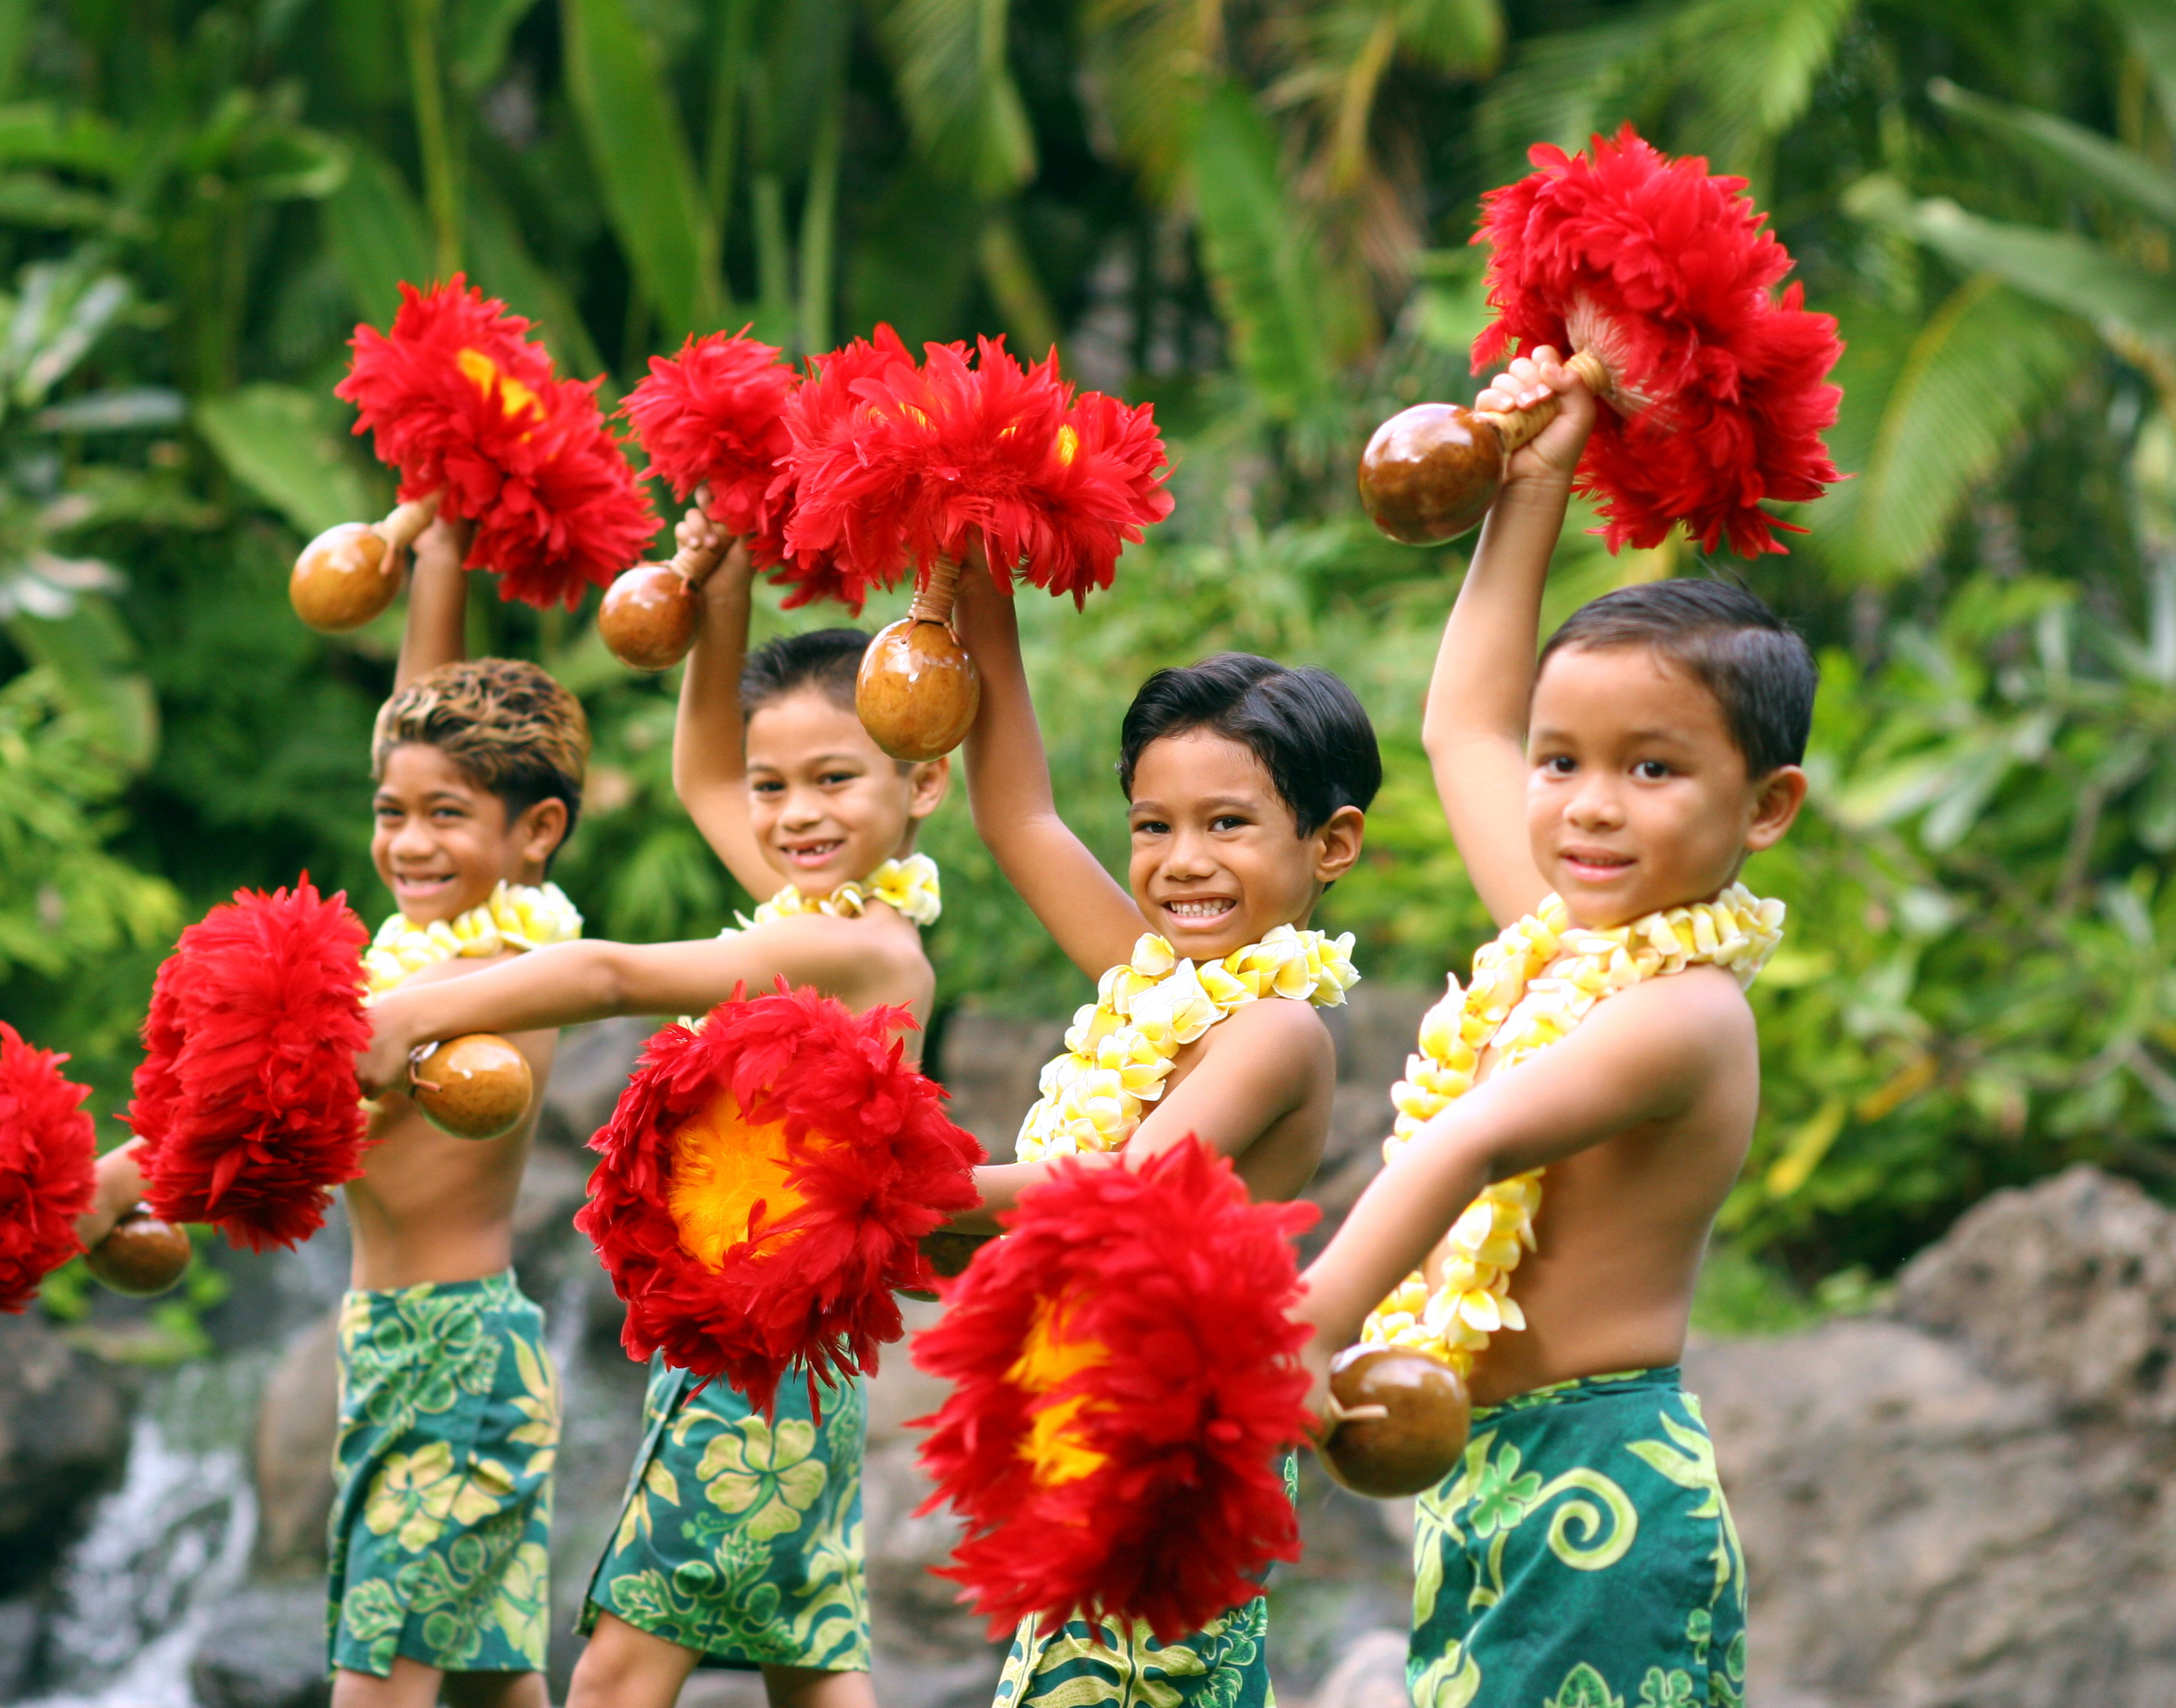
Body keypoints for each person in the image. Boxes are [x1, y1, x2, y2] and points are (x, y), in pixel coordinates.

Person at [1288, 348, 1811, 1708]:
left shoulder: (1687, 1016)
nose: (1586, 804)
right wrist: (1534, 480)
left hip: (1603, 1494)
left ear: (1765, 809)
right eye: (1563, 761)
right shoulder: (1565, 944)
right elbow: (1464, 720)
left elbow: (1469, 1140)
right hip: (1473, 1473)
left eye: (1652, 769)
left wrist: (1297, 1332)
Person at [357, 517, 951, 1708]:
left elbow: (612, 975)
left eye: (834, 780)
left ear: (923, 779)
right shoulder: (815, 910)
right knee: (811, 1665)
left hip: (766, 1364)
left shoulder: (863, 949)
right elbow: (700, 775)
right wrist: (720, 595)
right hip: (767, 1358)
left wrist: (410, 1013)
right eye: (776, 787)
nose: (792, 816)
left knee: (620, 1672)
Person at [81, 519, 586, 1708]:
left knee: (384, 1688)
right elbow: (425, 713)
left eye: (446, 817)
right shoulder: (433, 937)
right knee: (486, 1689)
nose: (408, 842)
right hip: (410, 1349)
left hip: (454, 1358)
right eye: (389, 809)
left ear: (538, 834)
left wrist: (102, 1184)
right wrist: (446, 538)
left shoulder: (488, 975)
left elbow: (278, 1091)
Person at [939, 562, 1380, 1707]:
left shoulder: (1277, 1030)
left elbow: (1121, 1181)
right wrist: (973, 576)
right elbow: (1018, 814)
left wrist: (897, 1186)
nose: (1181, 861)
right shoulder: (1151, 985)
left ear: (1329, 846)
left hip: (1178, 1440)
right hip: (1090, 1413)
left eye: (1228, 824)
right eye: (1152, 825)